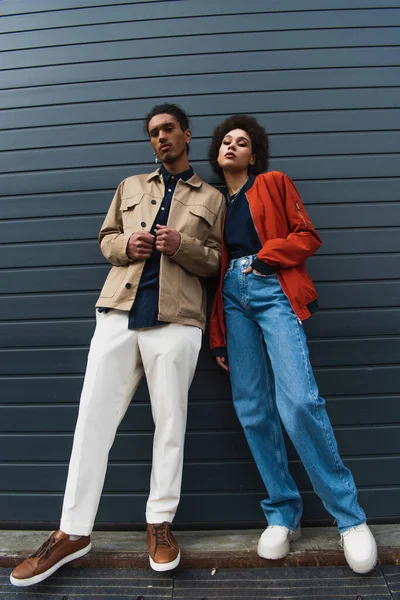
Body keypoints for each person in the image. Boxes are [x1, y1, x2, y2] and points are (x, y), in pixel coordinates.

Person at [10, 103, 225, 587]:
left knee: (170, 424)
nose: (160, 138)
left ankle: (160, 522)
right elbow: (105, 238)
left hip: (177, 321)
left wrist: (181, 247)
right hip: (117, 314)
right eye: (153, 133)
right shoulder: (130, 187)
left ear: (187, 135)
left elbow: (216, 262)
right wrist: (126, 245)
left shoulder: (212, 197)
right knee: (91, 422)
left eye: (168, 129)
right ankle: (73, 531)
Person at [208, 114, 378, 574]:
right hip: (232, 301)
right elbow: (213, 271)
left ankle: (350, 517)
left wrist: (264, 260)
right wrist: (219, 335)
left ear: (254, 154)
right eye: (226, 140)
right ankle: (283, 513)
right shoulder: (212, 202)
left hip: (271, 287)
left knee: (299, 402)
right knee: (252, 408)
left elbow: (307, 235)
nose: (232, 146)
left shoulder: (274, 183)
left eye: (241, 142)